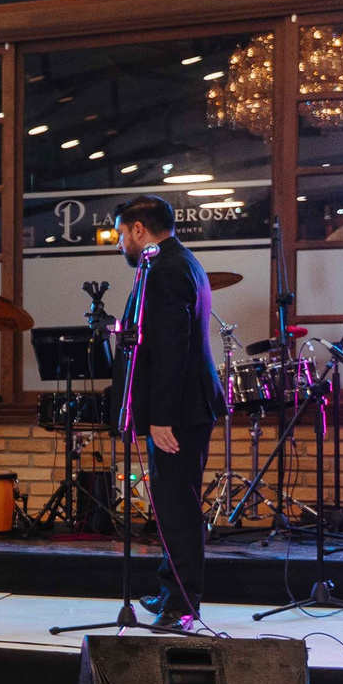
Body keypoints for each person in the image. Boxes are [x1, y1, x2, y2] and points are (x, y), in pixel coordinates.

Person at [116, 194, 228, 631]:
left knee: (177, 508)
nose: (120, 243)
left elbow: (171, 348)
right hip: (184, 406)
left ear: (139, 230)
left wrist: (160, 416)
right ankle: (169, 588)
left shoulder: (166, 269)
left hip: (178, 411)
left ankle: (182, 605)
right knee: (169, 504)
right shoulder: (176, 261)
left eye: (122, 233)